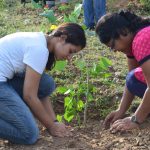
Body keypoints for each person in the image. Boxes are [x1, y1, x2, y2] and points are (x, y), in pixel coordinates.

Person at [0, 23, 86, 144]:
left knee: (45, 84)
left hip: (5, 79)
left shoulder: (41, 41)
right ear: (63, 38)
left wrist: (54, 122)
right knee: (29, 135)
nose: (69, 57)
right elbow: (29, 96)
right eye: (71, 51)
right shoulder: (39, 49)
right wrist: (50, 126)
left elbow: (40, 93)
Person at [95, 10, 150, 133]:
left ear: (122, 32)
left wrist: (135, 120)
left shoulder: (141, 39)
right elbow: (132, 80)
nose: (114, 50)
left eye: (113, 45)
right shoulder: (137, 38)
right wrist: (121, 110)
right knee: (133, 78)